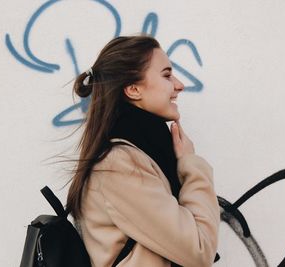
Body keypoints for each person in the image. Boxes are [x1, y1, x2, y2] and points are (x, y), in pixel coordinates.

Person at [66, 35, 220, 267]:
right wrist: (191, 165)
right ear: (133, 89)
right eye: (167, 75)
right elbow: (199, 250)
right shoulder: (118, 166)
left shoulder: (142, 153)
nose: (179, 84)